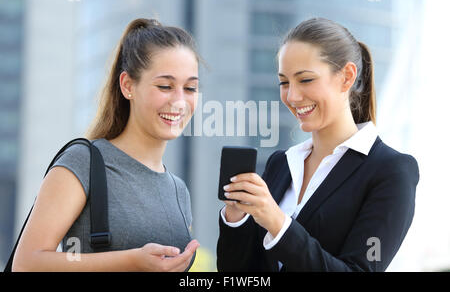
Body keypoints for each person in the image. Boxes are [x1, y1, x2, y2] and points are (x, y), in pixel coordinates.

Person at [217, 17, 419, 272]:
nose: (292, 96)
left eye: (305, 80)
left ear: (346, 77)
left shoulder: (391, 171)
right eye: (284, 82)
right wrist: (236, 218)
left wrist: (277, 223)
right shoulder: (281, 164)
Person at [12, 18, 201, 271]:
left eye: (190, 88)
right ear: (127, 86)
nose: (179, 101)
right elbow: (27, 263)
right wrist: (130, 261)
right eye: (165, 86)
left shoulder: (179, 191)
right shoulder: (83, 162)